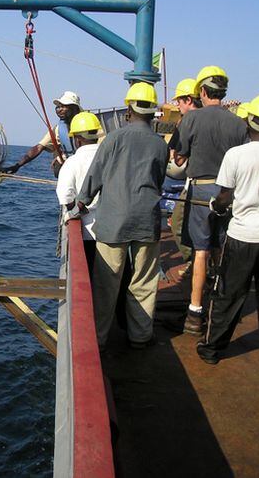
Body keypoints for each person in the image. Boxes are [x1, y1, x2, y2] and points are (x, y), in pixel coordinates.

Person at [78, 82, 168, 349]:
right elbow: (159, 179)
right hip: (146, 220)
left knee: (107, 284)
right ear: (152, 112)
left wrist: (81, 201)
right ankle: (140, 336)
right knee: (143, 282)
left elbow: (95, 175)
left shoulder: (114, 138)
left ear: (129, 109)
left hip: (113, 222)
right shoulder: (160, 144)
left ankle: (99, 340)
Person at [174, 66, 248, 335]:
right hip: (229, 194)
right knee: (221, 249)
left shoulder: (192, 120)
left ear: (202, 92)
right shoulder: (238, 124)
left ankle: (195, 313)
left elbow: (179, 157)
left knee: (201, 251)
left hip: (202, 191)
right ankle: (219, 308)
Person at [196, 95, 259, 364]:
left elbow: (225, 198)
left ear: (249, 122)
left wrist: (217, 206)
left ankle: (212, 349)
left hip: (242, 237)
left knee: (228, 295)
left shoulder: (236, 155)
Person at [56, 112, 102, 274]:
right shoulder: (111, 157)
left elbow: (65, 195)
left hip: (86, 233)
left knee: (87, 278)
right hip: (113, 233)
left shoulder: (72, 162)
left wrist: (75, 210)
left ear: (77, 139)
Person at [6, 91, 82, 175]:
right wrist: (18, 165)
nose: (59, 109)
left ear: (75, 108)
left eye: (64, 106)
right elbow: (39, 147)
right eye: (58, 107)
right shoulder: (58, 129)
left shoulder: (87, 124)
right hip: (70, 170)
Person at [168, 78, 202, 265]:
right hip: (220, 186)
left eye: (179, 101)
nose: (177, 105)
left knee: (178, 224)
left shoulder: (186, 122)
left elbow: (177, 158)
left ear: (189, 100)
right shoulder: (219, 119)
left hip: (195, 184)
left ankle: (195, 262)